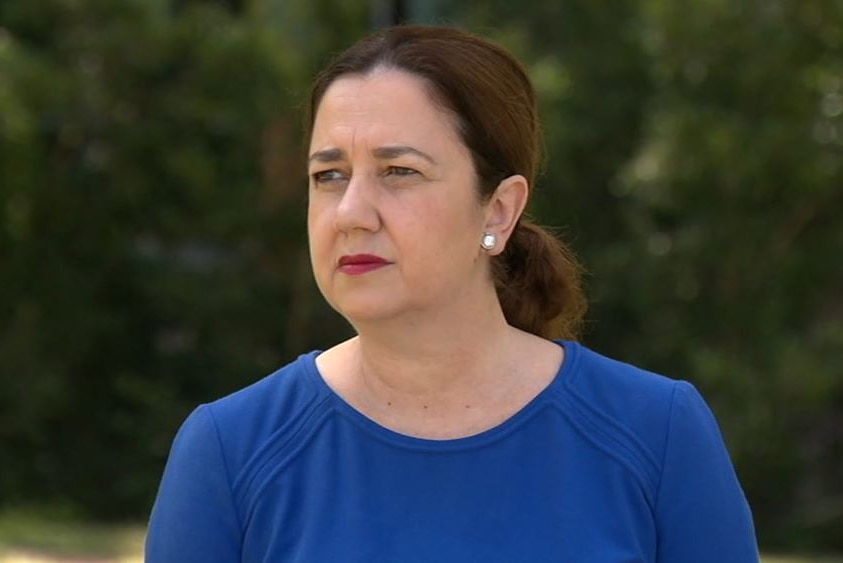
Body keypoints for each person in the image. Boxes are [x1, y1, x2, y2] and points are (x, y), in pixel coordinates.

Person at [145, 25, 759, 562]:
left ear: (499, 207)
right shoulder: (228, 451)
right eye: (329, 175)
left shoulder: (658, 435)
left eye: (399, 172)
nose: (351, 212)